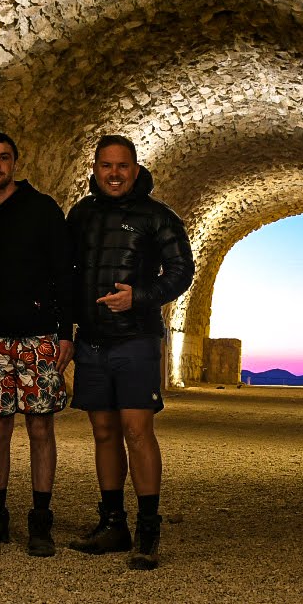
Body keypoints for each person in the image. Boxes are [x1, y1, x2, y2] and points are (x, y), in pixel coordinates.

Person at [66, 135, 194, 569]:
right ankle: (112, 523)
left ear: (135, 170)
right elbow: (67, 272)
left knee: (137, 431)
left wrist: (138, 296)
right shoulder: (81, 215)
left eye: (122, 166)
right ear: (95, 169)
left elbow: (181, 271)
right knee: (103, 431)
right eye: (106, 165)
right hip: (91, 339)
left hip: (136, 339)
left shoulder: (158, 217)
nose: (115, 173)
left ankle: (148, 529)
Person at [0, 132, 74, 557]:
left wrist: (67, 332)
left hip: (38, 336)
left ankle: (41, 519)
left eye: (3, 158)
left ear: (15, 162)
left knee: (41, 427)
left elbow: (64, 272)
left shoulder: (42, 209)